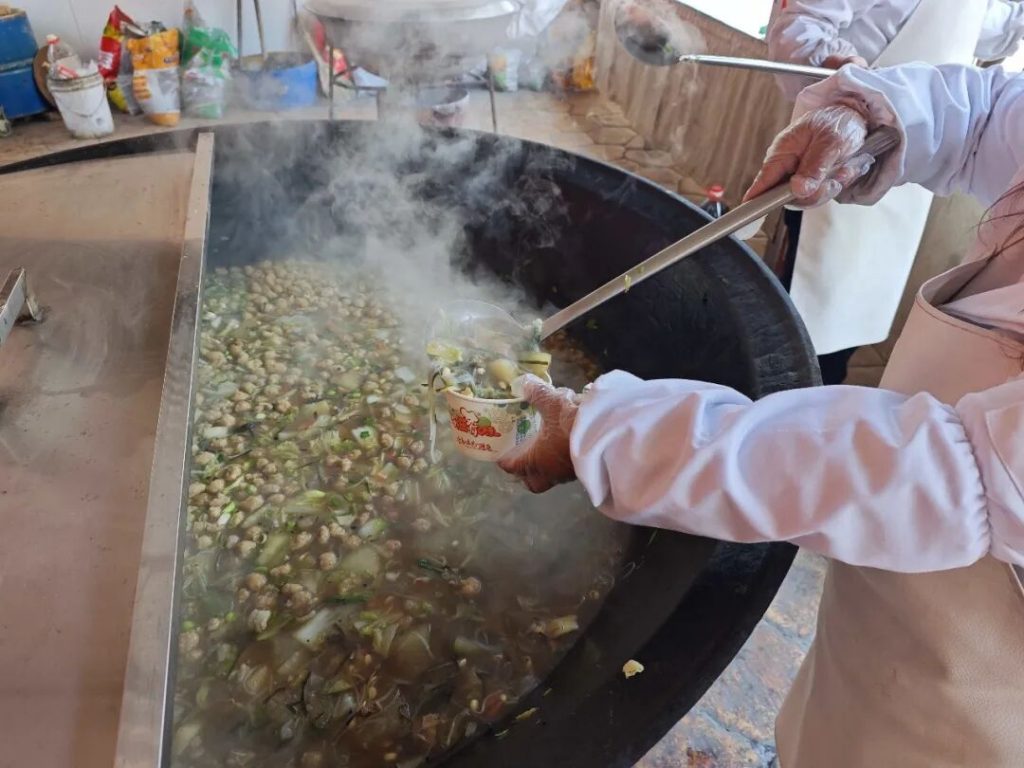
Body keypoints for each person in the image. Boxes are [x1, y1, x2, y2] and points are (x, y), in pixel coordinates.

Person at [500, 62, 1024, 765]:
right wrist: (871, 116)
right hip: (895, 586)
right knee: (839, 709)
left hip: (992, 655)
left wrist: (601, 435)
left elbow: (951, 478)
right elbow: (992, 116)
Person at [765, 0, 1024, 385]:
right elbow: (797, 30)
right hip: (837, 159)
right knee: (795, 311)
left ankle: (815, 387)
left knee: (853, 316)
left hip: (913, 182)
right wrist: (857, 96)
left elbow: (996, 40)